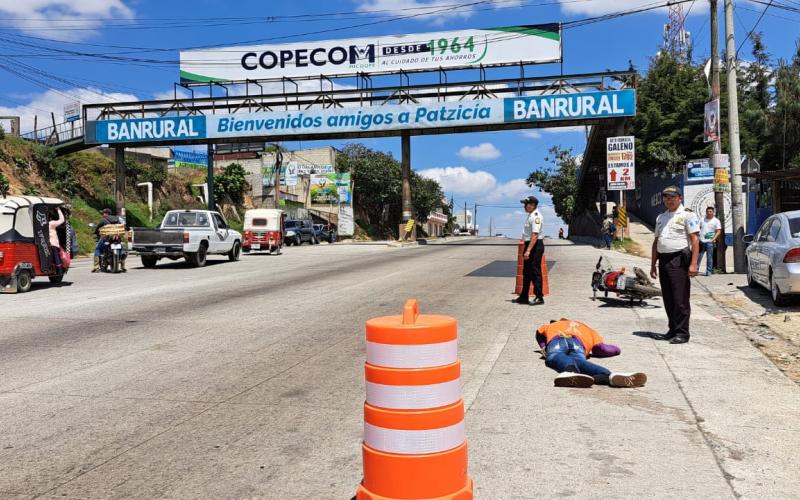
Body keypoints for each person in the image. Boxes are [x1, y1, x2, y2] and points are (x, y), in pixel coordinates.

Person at [650, 186, 700, 344]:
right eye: (666, 197)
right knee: (668, 298)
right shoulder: (661, 217)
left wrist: (693, 264)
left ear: (680, 198)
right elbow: (656, 242)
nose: (669, 200)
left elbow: (695, 240)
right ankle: (672, 329)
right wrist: (653, 264)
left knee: (680, 299)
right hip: (664, 260)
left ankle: (682, 333)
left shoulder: (688, 215)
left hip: (679, 260)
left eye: (672, 197)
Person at [535, 319, 647, 388]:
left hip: (557, 340)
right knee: (581, 362)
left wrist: (544, 346)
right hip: (578, 344)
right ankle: (608, 376)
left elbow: (539, 332)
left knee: (557, 356)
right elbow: (601, 349)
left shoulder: (552, 325)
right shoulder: (588, 329)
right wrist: (617, 350)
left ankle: (570, 372)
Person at [514, 195, 545, 306]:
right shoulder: (530, 215)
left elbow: (535, 234)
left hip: (535, 246)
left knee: (535, 271)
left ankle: (539, 297)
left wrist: (528, 251)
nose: (524, 206)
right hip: (530, 244)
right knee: (526, 272)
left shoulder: (536, 216)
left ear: (532, 205)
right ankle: (524, 296)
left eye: (526, 204)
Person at [93, 208, 127, 273]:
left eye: (103, 213)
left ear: (106, 214)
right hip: (117, 238)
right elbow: (122, 227)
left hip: (106, 238)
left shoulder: (104, 220)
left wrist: (96, 233)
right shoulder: (117, 219)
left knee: (97, 249)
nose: (102, 214)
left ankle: (96, 267)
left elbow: (97, 228)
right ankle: (123, 266)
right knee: (122, 249)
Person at [696, 206, 722, 276]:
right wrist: (697, 238)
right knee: (699, 256)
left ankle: (708, 271)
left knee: (709, 257)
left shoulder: (716, 221)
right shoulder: (702, 220)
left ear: (713, 212)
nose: (709, 213)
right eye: (708, 212)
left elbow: (718, 231)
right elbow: (698, 228)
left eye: (710, 212)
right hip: (701, 241)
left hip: (710, 242)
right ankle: (696, 270)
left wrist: (713, 239)